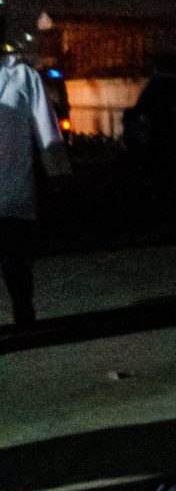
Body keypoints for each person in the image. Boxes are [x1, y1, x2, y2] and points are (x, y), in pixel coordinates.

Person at [0, 46, 69, 327]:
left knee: (18, 275)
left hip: (15, 197)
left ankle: (25, 325)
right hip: (16, 195)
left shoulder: (24, 77)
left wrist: (59, 177)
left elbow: (47, 130)